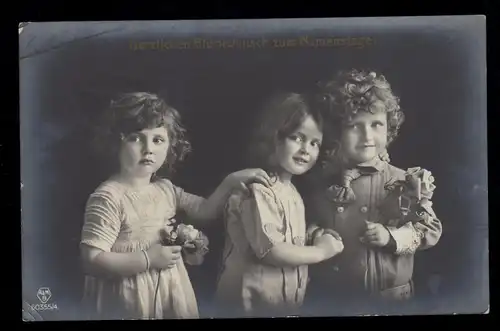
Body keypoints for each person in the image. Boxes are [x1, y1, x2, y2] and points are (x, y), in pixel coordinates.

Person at [79, 92, 272, 320]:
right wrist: (147, 259)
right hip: (128, 295)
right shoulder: (108, 197)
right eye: (136, 137)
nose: (148, 148)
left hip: (168, 289)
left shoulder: (165, 189)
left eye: (158, 140)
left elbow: (205, 210)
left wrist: (230, 181)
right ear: (115, 141)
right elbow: (91, 260)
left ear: (170, 146)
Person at [302, 69, 443, 315]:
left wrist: (391, 237)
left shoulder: (404, 180)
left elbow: (428, 230)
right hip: (333, 300)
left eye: (376, 124)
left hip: (391, 301)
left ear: (389, 125)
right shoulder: (320, 181)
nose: (367, 136)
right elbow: (306, 223)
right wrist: (317, 235)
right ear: (335, 131)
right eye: (354, 126)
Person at [214, 92, 344, 318]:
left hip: (282, 303)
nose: (306, 149)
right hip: (248, 306)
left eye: (315, 143)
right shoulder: (257, 189)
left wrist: (315, 234)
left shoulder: (292, 192)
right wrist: (322, 250)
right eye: (298, 137)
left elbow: (290, 235)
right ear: (274, 137)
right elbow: (273, 251)